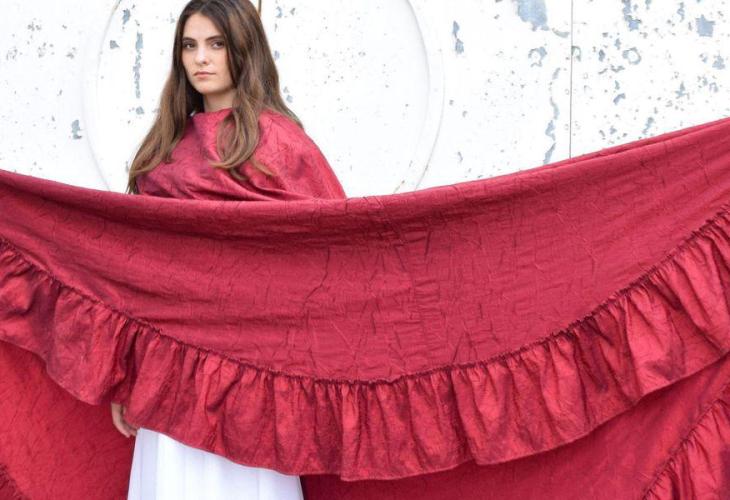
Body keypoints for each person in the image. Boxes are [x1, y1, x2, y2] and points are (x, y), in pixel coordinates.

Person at [110, 1, 345, 498]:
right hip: (171, 373)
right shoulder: (164, 148)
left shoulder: (283, 144)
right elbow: (140, 275)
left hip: (254, 376)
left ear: (243, 49)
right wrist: (128, 373)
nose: (201, 58)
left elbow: (333, 255)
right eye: (190, 46)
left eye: (216, 44)